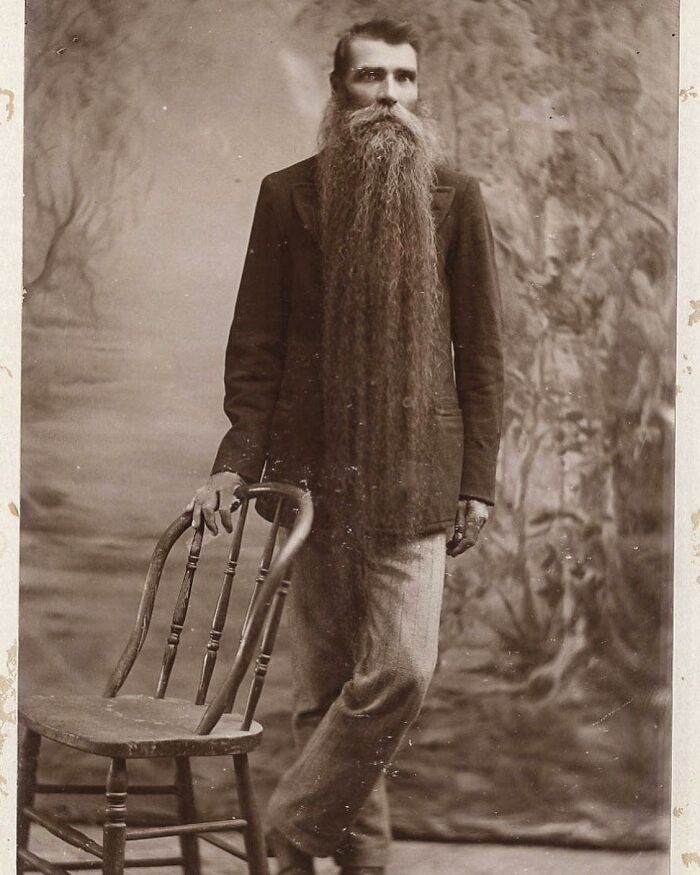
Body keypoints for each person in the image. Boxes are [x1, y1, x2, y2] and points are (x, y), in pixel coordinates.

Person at [187, 18, 504, 875]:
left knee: (400, 671)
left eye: (404, 80)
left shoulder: (455, 197)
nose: (391, 99)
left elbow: (482, 356)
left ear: (418, 92)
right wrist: (232, 464)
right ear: (339, 92)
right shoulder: (287, 194)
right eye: (371, 80)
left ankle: (288, 831)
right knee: (322, 693)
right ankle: (356, 865)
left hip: (417, 479)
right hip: (313, 479)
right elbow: (255, 350)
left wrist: (477, 481)